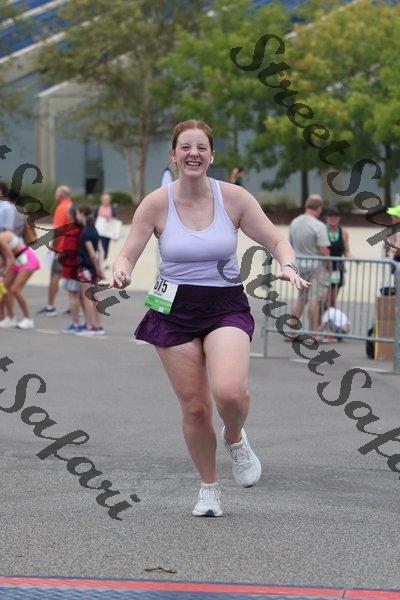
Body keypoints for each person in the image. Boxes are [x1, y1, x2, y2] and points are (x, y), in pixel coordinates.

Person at [109, 119, 309, 517]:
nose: (193, 154)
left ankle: (234, 437)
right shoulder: (156, 203)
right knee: (196, 408)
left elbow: (276, 239)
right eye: (185, 147)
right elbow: (128, 252)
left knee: (230, 393)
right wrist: (121, 270)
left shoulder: (233, 198)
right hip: (172, 310)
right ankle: (209, 488)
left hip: (224, 306)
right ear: (173, 154)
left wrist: (287, 264)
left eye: (201, 147)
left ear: (212, 155)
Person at [288, 194, 331, 340]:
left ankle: (291, 330)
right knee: (314, 300)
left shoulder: (295, 222)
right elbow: (324, 250)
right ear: (319, 208)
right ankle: (314, 333)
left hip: (301, 265)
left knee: (301, 299)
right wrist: (330, 265)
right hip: (316, 267)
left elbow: (291, 244)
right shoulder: (318, 225)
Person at [37, 185, 73, 316]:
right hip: (73, 247)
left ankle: (50, 306)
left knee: (55, 276)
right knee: (72, 277)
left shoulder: (61, 208)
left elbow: (57, 231)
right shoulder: (73, 207)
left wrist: (52, 248)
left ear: (59, 195)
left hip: (62, 248)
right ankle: (73, 306)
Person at [75, 204, 105, 336]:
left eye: (77, 213)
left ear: (82, 214)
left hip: (86, 268)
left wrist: (98, 269)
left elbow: (92, 253)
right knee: (95, 295)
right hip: (92, 268)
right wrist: (99, 267)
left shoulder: (86, 231)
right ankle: (98, 325)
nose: (76, 216)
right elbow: (100, 250)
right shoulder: (94, 229)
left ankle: (89, 325)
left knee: (87, 297)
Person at [0, 230, 40, 329]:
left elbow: (10, 260)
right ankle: (11, 318)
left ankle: (28, 319)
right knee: (3, 287)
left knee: (15, 289)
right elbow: (4, 261)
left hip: (26, 259)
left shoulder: (2, 240)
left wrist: (3, 275)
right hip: (17, 261)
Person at [59, 205, 86, 333]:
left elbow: (69, 251)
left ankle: (76, 323)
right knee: (80, 297)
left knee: (73, 297)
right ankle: (86, 322)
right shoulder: (82, 229)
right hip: (78, 268)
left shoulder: (72, 231)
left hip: (71, 268)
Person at [324, 205, 351, 309]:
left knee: (332, 301)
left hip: (337, 269)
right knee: (324, 301)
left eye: (336, 216)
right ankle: (320, 318)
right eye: (330, 215)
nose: (333, 218)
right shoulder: (322, 230)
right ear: (326, 217)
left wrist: (354, 258)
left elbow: (346, 252)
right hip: (324, 269)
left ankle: (330, 318)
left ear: (339, 218)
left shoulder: (343, 233)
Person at [94, 192, 118, 259]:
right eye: (104, 199)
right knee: (98, 248)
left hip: (107, 232)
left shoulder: (112, 209)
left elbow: (115, 221)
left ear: (110, 200)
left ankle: (103, 260)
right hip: (98, 232)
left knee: (105, 248)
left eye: (107, 199)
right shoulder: (98, 208)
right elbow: (94, 218)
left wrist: (115, 235)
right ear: (101, 200)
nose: (106, 201)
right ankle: (98, 261)